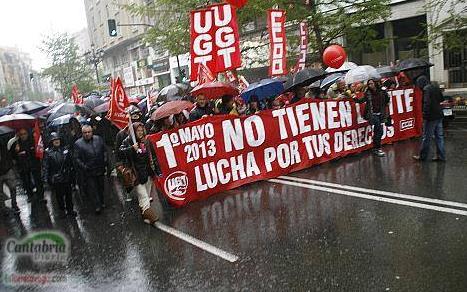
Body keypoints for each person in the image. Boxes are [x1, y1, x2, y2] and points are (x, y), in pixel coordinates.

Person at [120, 122, 160, 224]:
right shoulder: (127, 141)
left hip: (147, 172)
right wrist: (131, 149)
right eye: (138, 131)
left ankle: (144, 213)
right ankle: (150, 216)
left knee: (147, 194)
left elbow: (153, 156)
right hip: (136, 174)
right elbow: (121, 153)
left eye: (141, 130)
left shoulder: (146, 141)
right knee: (144, 196)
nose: (140, 132)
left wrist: (157, 170)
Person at [74, 125, 108, 214]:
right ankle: (97, 205)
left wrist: (105, 160)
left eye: (89, 132)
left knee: (101, 187)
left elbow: (104, 150)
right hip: (89, 171)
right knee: (93, 189)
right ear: (82, 133)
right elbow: (76, 158)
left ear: (92, 132)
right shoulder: (78, 143)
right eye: (85, 132)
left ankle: (102, 201)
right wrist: (84, 167)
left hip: (100, 168)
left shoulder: (98, 139)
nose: (87, 134)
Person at [412, 75, 446, 162]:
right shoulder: (435, 87)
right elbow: (441, 99)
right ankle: (441, 156)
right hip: (439, 114)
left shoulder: (426, 89)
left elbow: (427, 103)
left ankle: (423, 156)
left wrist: (424, 114)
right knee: (439, 137)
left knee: (426, 137)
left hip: (431, 116)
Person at [42, 133, 76, 218]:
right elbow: (46, 166)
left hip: (66, 176)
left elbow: (71, 162)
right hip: (56, 178)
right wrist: (46, 179)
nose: (56, 141)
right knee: (59, 196)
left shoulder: (66, 150)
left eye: (58, 139)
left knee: (68, 195)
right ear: (51, 141)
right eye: (54, 140)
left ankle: (70, 210)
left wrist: (72, 173)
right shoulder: (48, 152)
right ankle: (62, 211)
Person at [354, 79, 390, 157]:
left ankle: (375, 148)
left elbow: (387, 100)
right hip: (371, 114)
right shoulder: (368, 93)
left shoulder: (381, 91)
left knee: (378, 131)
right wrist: (354, 98)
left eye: (371, 83)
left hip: (380, 113)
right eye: (369, 84)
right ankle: (378, 148)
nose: (370, 85)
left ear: (375, 83)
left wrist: (386, 93)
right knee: (379, 129)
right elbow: (361, 101)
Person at [10, 128, 45, 203]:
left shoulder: (33, 141)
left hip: (34, 164)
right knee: (26, 181)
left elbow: (38, 150)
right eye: (21, 134)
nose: (23, 136)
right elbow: (13, 156)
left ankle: (41, 196)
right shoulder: (16, 143)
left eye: (24, 134)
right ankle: (30, 195)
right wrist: (16, 152)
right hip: (23, 166)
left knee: (38, 180)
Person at [0, 133, 19, 213]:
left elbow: (9, 145)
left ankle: (14, 205)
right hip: (5, 170)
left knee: (13, 188)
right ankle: (3, 208)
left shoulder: (2, 142)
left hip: (7, 169)